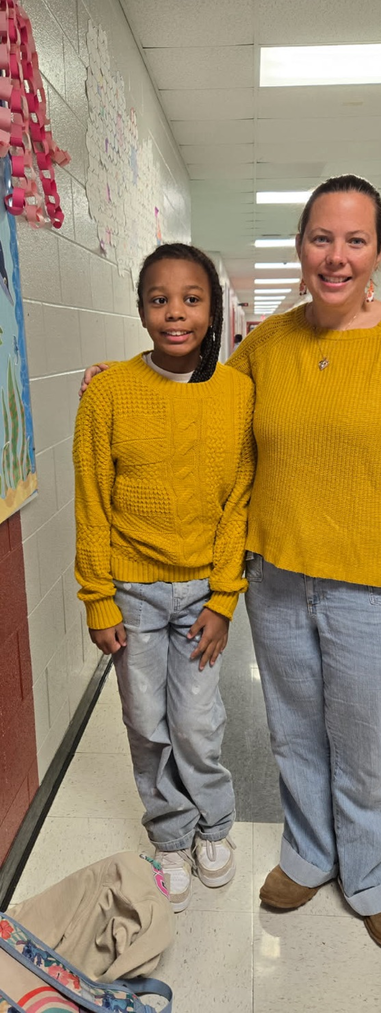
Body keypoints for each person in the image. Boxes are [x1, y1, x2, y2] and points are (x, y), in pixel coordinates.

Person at [80, 175, 381, 951]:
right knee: (294, 734)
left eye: (353, 240)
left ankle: (375, 876)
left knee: (370, 748)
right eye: (320, 239)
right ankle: (308, 854)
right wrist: (123, 381)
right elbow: (198, 403)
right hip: (277, 582)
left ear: (378, 251)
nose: (335, 257)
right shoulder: (268, 342)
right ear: (301, 246)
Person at [73, 243, 255, 913]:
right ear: (142, 308)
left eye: (190, 298)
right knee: (147, 722)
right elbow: (92, 500)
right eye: (159, 299)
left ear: (212, 310)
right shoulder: (111, 392)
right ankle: (171, 836)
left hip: (203, 593)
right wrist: (98, 598)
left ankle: (214, 828)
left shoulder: (238, 393)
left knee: (196, 723)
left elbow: (239, 502)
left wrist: (225, 598)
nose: (174, 312)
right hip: (134, 592)